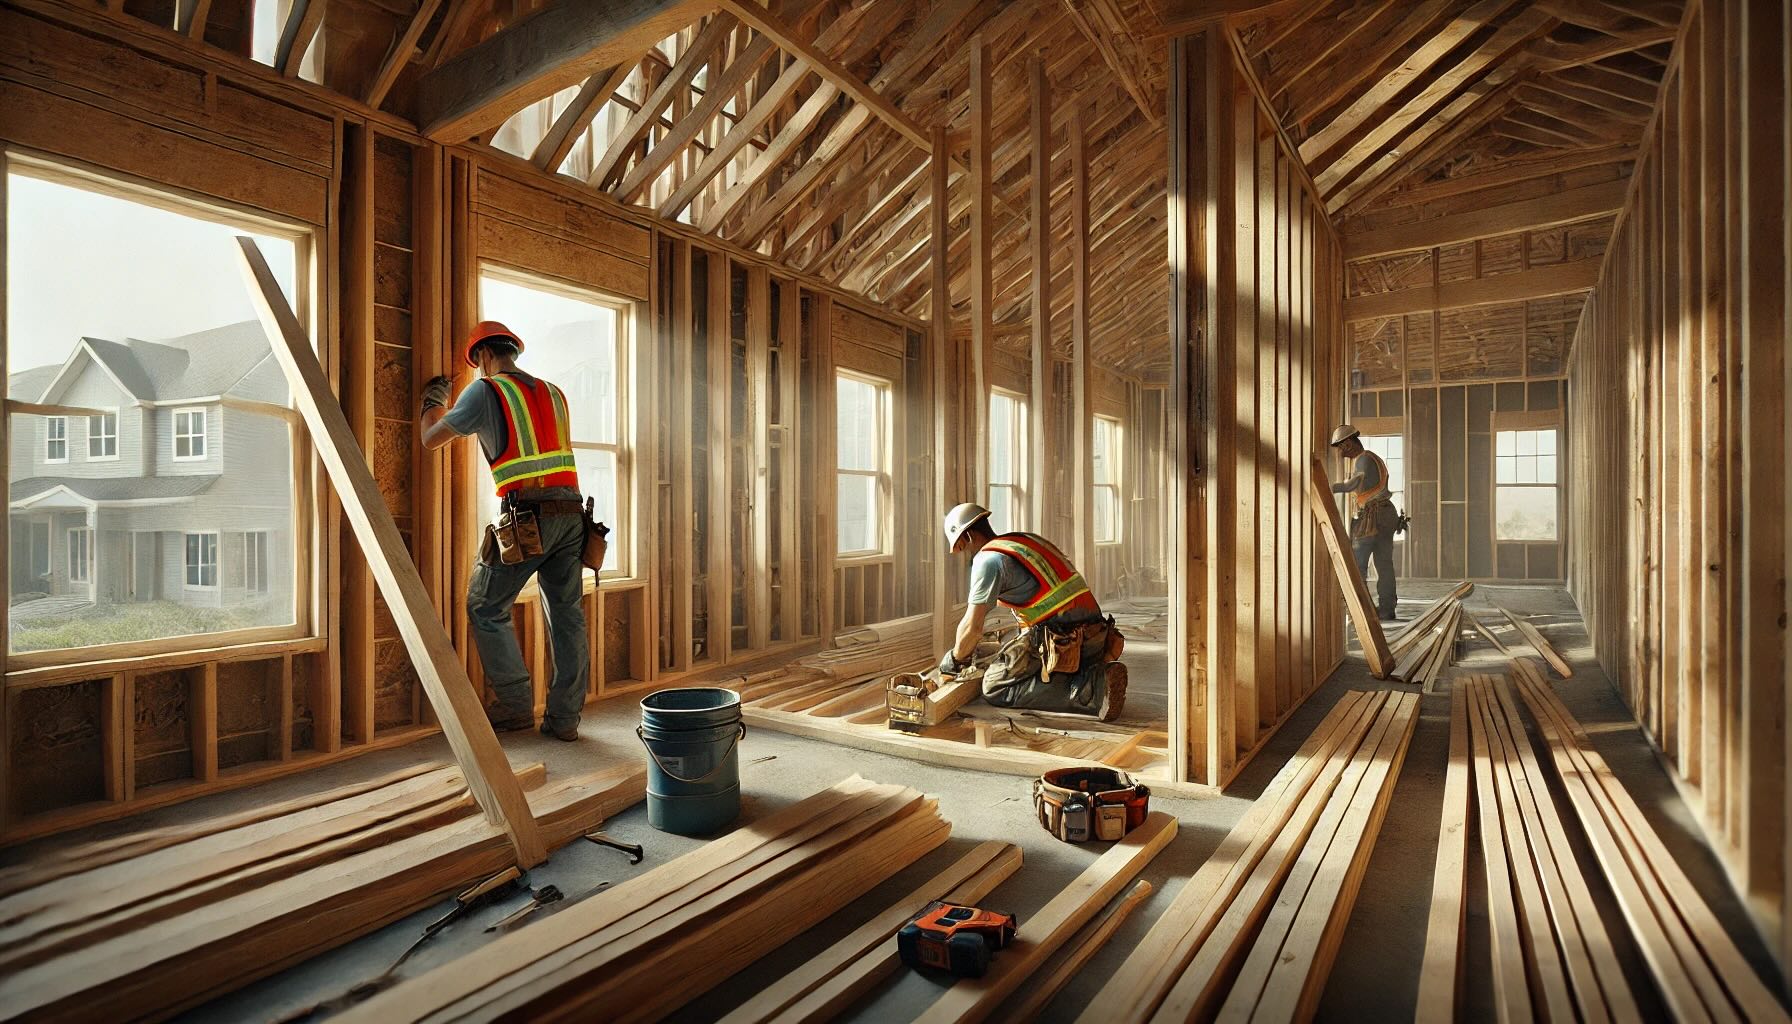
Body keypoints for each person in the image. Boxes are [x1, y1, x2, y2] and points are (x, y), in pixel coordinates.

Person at [419, 321, 590, 741]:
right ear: (513, 349)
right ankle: (565, 720)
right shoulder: (553, 392)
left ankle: (515, 708)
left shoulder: (487, 389)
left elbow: (430, 439)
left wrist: (433, 400)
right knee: (567, 616)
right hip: (572, 516)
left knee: (484, 605)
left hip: (529, 518)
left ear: (481, 357)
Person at [938, 502, 1127, 720]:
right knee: (1010, 648)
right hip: (1096, 636)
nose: (966, 553)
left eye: (963, 547)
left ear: (968, 536)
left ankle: (1091, 689)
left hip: (1064, 641)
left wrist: (954, 660)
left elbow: (972, 628)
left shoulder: (987, 560)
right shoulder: (1024, 541)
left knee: (994, 686)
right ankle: (1086, 672)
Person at [1329, 423, 1399, 621]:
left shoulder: (1363, 460)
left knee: (1358, 565)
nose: (1340, 452)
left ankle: (1363, 612)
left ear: (1349, 443)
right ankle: (1386, 610)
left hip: (1373, 517)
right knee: (1384, 564)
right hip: (1385, 513)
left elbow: (1353, 484)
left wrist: (1329, 487)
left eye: (1341, 447)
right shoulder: (1371, 457)